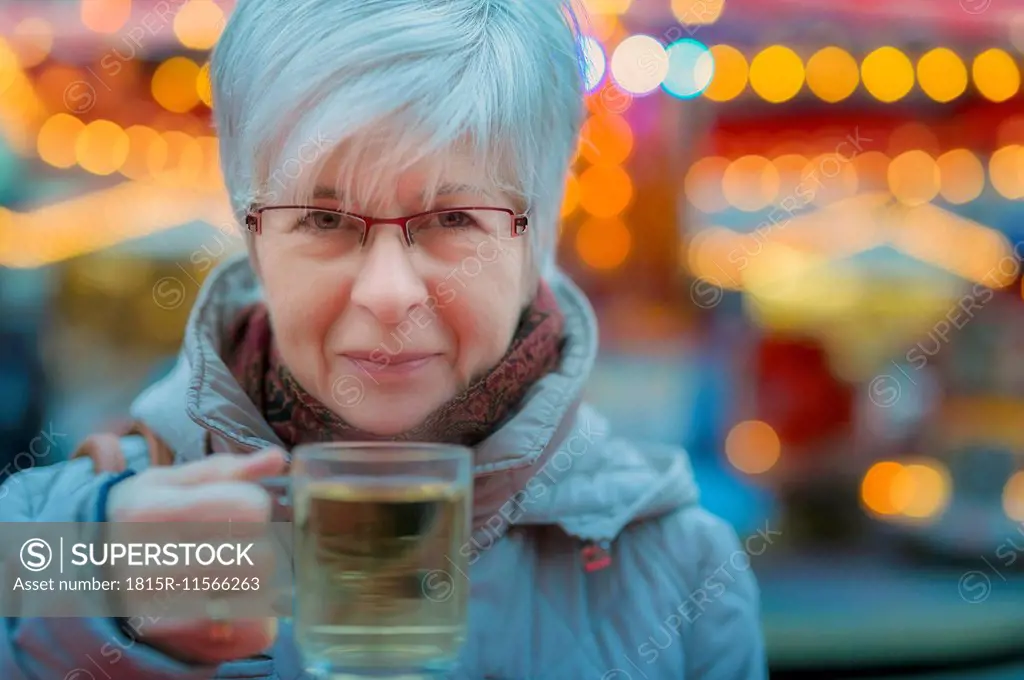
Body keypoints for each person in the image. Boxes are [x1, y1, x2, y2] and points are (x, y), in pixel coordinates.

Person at [0, 0, 765, 677]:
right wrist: (91, 600)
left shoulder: (680, 568)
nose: (389, 293)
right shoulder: (45, 539)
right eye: (325, 220)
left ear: (537, 238)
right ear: (254, 235)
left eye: (454, 218)